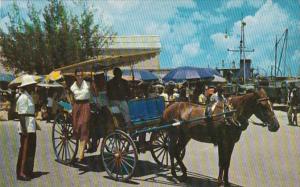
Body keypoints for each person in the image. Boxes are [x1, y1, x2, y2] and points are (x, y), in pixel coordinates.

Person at [16, 75, 37, 181]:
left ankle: (28, 170)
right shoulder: (23, 97)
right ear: (27, 86)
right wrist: (24, 130)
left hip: (31, 126)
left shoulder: (29, 96)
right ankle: (21, 172)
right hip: (26, 127)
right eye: (32, 85)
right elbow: (21, 115)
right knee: (24, 150)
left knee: (30, 149)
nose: (33, 87)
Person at [70, 68, 92, 161]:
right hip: (76, 106)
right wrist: (71, 108)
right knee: (76, 126)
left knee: (84, 124)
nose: (79, 77)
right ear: (75, 76)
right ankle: (88, 143)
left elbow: (95, 93)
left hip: (86, 105)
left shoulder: (87, 84)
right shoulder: (72, 86)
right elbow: (71, 98)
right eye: (78, 75)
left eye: (81, 75)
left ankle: (81, 152)